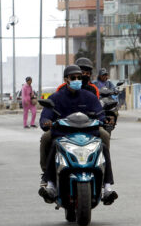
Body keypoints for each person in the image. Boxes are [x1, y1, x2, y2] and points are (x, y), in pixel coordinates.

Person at [38, 65, 117, 205]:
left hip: (88, 131)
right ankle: (48, 181)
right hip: (63, 133)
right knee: (47, 139)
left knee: (104, 138)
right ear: (66, 79)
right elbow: (46, 115)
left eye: (79, 78)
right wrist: (46, 122)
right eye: (73, 78)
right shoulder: (56, 97)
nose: (76, 80)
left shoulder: (90, 97)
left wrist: (105, 120)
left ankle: (107, 187)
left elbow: (100, 113)